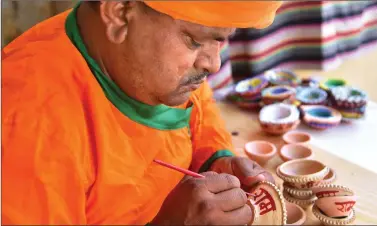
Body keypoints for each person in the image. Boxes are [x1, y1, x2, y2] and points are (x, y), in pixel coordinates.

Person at [2, 1, 282, 225]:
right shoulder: (28, 123)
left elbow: (199, 111)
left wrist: (215, 160)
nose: (214, 64)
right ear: (120, 12)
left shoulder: (149, 62)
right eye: (195, 41)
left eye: (220, 41)